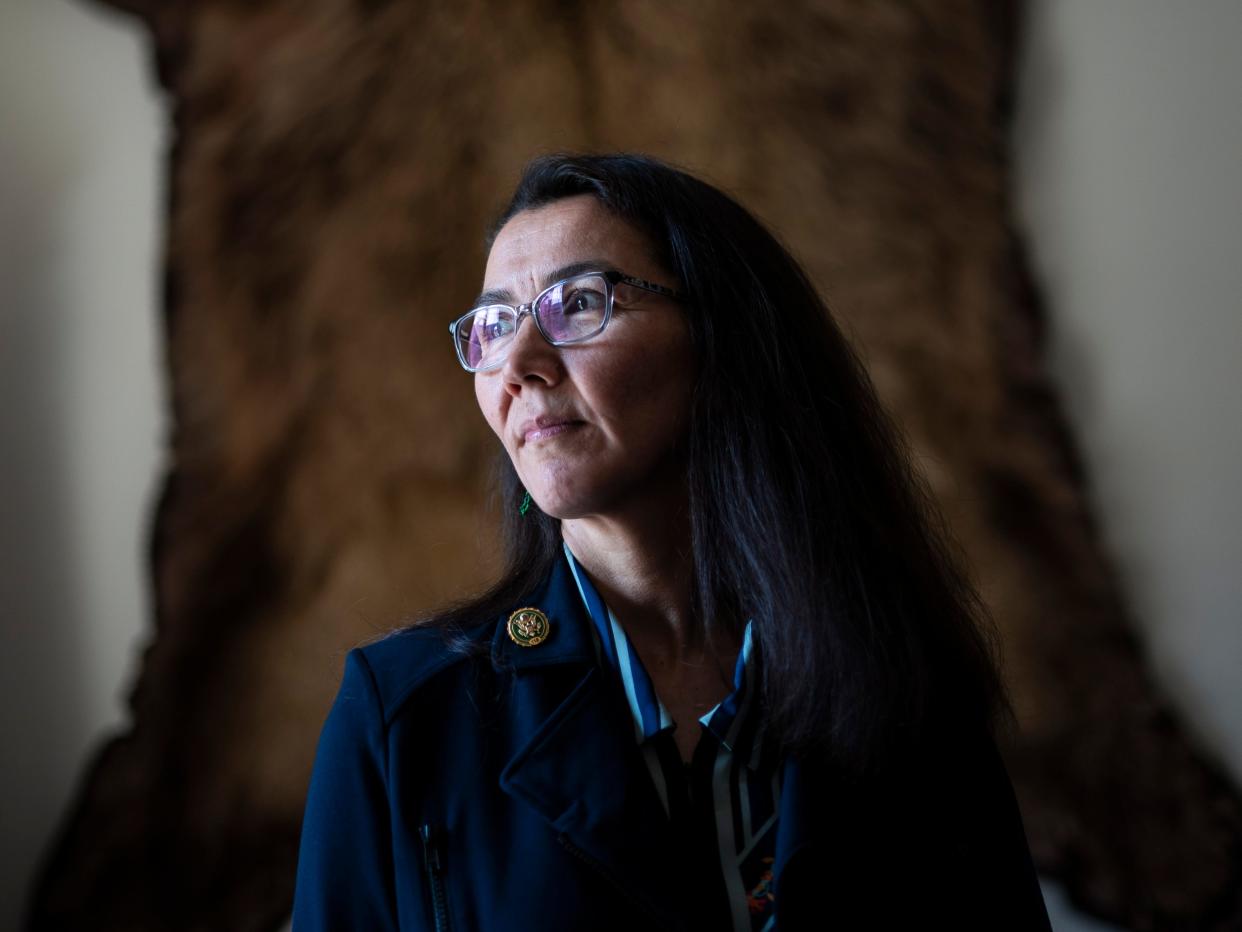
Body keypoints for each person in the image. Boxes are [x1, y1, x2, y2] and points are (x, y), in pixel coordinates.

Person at [291, 153, 1053, 931]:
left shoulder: (906, 689)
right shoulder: (405, 717)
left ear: (723, 339)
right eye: (493, 325)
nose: (517, 364)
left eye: (578, 302)